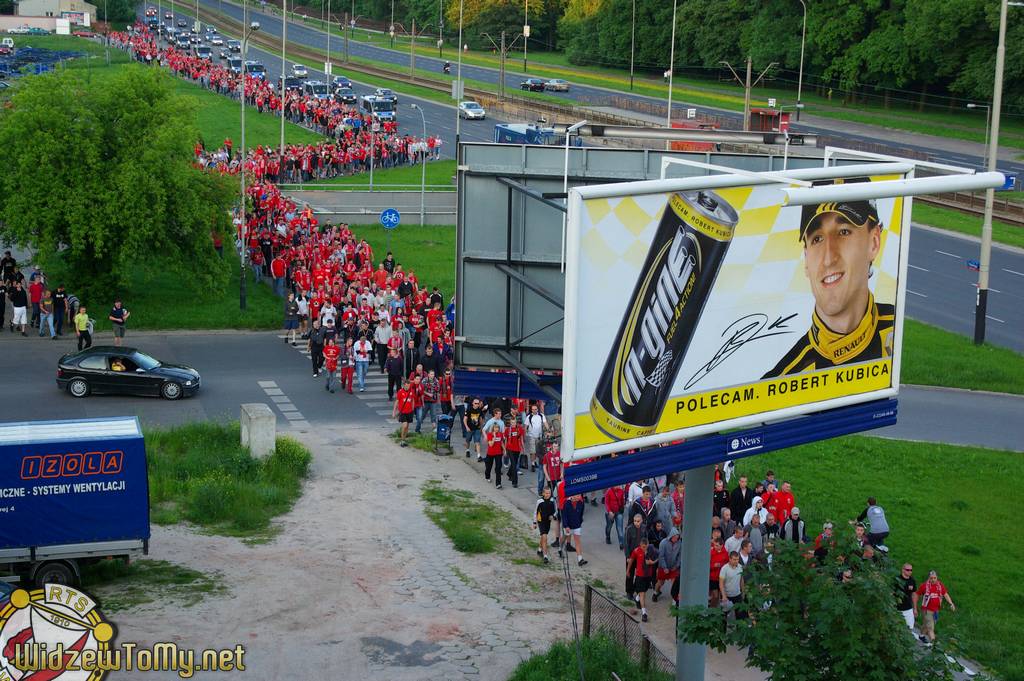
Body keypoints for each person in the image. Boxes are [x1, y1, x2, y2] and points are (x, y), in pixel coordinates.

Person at [764, 194, 893, 378]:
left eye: (843, 232)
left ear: (874, 242)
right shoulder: (779, 382)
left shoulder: (896, 330)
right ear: (806, 260)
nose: (828, 258)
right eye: (817, 239)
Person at [914, 570, 955, 644]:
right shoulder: (924, 586)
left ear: (937, 578)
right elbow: (917, 594)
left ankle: (921, 635)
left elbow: (945, 594)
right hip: (926, 610)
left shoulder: (940, 585)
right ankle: (934, 644)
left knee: (926, 625)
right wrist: (915, 607)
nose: (933, 580)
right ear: (928, 578)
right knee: (930, 628)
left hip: (936, 610)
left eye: (934, 578)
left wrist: (951, 603)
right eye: (931, 578)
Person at [627, 536, 657, 621]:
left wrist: (653, 562)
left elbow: (658, 557)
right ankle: (644, 613)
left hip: (648, 575)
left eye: (646, 547)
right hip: (640, 576)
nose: (644, 548)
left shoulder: (652, 550)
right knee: (643, 594)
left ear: (648, 545)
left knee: (645, 590)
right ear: (640, 545)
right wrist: (628, 571)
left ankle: (637, 598)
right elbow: (631, 561)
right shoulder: (636, 551)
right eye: (643, 547)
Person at [654, 528, 681, 606]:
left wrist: (676, 565)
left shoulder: (679, 543)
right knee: (660, 583)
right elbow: (661, 556)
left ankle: (674, 600)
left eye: (677, 537)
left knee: (674, 583)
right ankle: (656, 592)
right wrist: (664, 567)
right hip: (663, 566)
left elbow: (680, 555)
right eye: (675, 537)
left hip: (673, 566)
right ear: (671, 536)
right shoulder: (663, 543)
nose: (676, 539)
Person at [560, 494, 587, 567]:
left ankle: (580, 559)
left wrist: (580, 522)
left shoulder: (581, 503)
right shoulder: (566, 503)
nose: (579, 497)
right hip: (568, 526)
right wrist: (566, 526)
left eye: (580, 496)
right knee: (565, 537)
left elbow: (581, 514)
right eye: (577, 496)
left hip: (577, 525)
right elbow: (564, 516)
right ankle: (560, 548)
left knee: (577, 541)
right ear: (573, 495)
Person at [719, 551, 746, 622]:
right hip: (727, 596)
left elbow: (741, 580)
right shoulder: (724, 568)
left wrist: (743, 592)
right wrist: (724, 596)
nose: (736, 561)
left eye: (737, 559)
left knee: (740, 616)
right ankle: (722, 631)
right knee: (723, 617)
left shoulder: (740, 567)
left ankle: (739, 631)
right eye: (734, 559)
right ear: (730, 559)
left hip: (737, 595)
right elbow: (721, 583)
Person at [534, 487, 556, 564]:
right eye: (546, 493)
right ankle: (545, 556)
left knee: (543, 536)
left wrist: (553, 516)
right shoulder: (539, 501)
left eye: (549, 493)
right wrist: (534, 522)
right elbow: (535, 512)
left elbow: (555, 511)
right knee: (545, 537)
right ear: (543, 493)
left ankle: (539, 549)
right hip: (541, 521)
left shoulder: (552, 501)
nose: (548, 495)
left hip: (548, 521)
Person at [393, 378, 417, 447]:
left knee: (407, 427)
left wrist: (413, 409)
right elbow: (396, 402)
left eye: (408, 386)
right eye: (406, 386)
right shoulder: (400, 392)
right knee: (405, 425)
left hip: (409, 412)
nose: (407, 387)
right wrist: (394, 412)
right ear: (404, 385)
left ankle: (404, 439)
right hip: (402, 412)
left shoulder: (411, 391)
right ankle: (402, 440)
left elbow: (412, 400)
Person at [505, 411, 524, 489]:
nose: (513, 424)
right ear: (510, 422)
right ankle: (514, 482)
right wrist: (505, 450)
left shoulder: (519, 429)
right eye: (512, 422)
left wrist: (523, 448)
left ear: (516, 422)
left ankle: (509, 474)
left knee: (515, 463)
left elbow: (521, 438)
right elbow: (505, 440)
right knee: (513, 464)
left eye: (514, 422)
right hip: (509, 448)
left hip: (517, 448)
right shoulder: (507, 430)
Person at [896, 563, 917, 632]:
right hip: (897, 608)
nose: (910, 572)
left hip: (908, 608)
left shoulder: (912, 581)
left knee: (910, 627)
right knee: (897, 628)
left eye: (911, 570)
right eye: (908, 570)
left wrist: (915, 608)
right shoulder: (897, 580)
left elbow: (914, 595)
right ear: (903, 570)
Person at [708, 537, 729, 608]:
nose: (714, 547)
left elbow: (727, 565)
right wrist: (714, 565)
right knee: (715, 595)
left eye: (717, 545)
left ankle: (717, 610)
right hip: (712, 578)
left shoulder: (725, 553)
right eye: (714, 545)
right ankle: (711, 610)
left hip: (721, 578)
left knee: (720, 596)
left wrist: (721, 565)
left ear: (721, 545)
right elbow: (706, 565)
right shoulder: (711, 552)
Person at [604, 483, 626, 549]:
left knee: (620, 528)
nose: (618, 486)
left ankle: (621, 543)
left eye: (618, 485)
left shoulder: (621, 491)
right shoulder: (608, 491)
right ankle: (608, 537)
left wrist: (622, 509)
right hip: (610, 512)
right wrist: (609, 511)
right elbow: (606, 503)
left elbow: (622, 501)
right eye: (616, 485)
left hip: (618, 512)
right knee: (609, 527)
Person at [484, 423, 505, 489]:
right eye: (495, 428)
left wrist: (504, 450)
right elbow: (490, 445)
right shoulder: (489, 434)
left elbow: (501, 442)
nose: (496, 429)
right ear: (493, 428)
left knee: (498, 468)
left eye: (498, 428)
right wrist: (494, 437)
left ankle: (498, 484)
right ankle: (487, 476)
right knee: (489, 467)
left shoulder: (500, 434)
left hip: (498, 453)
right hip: (490, 453)